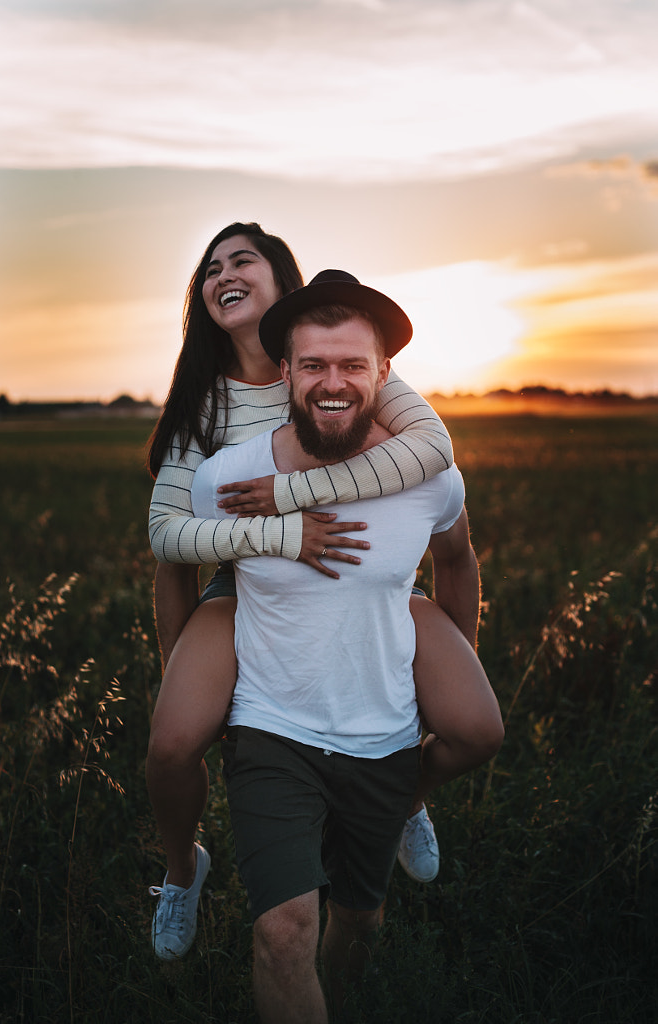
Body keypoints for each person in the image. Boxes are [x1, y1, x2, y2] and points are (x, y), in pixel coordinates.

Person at [146, 224, 503, 961]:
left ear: (286, 285)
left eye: (242, 260)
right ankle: (183, 871)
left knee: (473, 723)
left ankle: (405, 797)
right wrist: (279, 534)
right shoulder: (203, 408)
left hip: (365, 569)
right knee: (174, 740)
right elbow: (167, 542)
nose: (223, 274)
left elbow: (431, 450)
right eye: (210, 267)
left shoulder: (339, 362)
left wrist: (294, 492)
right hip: (241, 573)